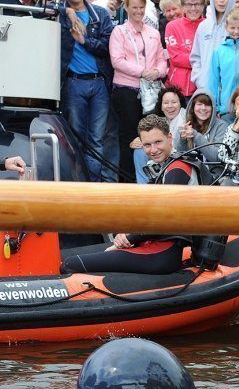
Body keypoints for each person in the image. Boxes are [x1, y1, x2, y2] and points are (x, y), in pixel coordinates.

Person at [61, 116, 202, 275]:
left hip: (162, 255)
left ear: (170, 138)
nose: (153, 150)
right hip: (151, 245)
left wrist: (129, 238)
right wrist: (124, 233)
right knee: (65, 256)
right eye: (147, 145)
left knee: (69, 264)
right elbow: (144, 210)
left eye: (158, 142)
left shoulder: (178, 168)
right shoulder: (162, 167)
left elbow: (163, 218)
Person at [58, 0, 114, 183]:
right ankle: (79, 185)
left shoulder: (99, 14)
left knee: (97, 140)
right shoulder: (61, 15)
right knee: (75, 139)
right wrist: (68, 12)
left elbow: (107, 47)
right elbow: (45, 9)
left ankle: (94, 186)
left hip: (99, 83)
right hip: (73, 83)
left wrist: (85, 41)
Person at [110, 0, 167, 183]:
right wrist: (142, 71)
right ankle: (127, 181)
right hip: (127, 90)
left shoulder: (153, 32)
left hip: (150, 92)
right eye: (134, 7)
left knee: (151, 136)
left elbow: (161, 58)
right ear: (126, 8)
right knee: (129, 138)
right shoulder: (119, 31)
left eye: (141, 7)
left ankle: (152, 179)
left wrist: (157, 72)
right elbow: (117, 61)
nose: (138, 11)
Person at [191, 0, 235, 91]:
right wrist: (199, 79)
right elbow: (196, 57)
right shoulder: (203, 26)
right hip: (206, 86)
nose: (221, 0)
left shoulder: (237, 25)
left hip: (230, 86)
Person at [208, 9, 239, 118]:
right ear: (226, 27)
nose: (236, 31)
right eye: (232, 28)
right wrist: (215, 106)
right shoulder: (218, 51)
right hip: (226, 106)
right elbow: (214, 81)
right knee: (229, 134)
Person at [165, 0, 204, 98]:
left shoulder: (208, 25)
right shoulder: (172, 26)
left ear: (203, 6)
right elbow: (176, 58)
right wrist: (200, 60)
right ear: (182, 7)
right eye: (188, 5)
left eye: (197, 4)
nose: (193, 8)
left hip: (202, 87)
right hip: (177, 88)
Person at [173, 89, 228, 165]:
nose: (203, 108)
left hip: (215, 174)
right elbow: (180, 153)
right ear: (193, 107)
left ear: (213, 108)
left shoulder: (221, 126)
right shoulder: (186, 125)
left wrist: (195, 136)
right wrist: (181, 138)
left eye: (207, 105)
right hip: (191, 172)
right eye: (199, 104)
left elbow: (216, 157)